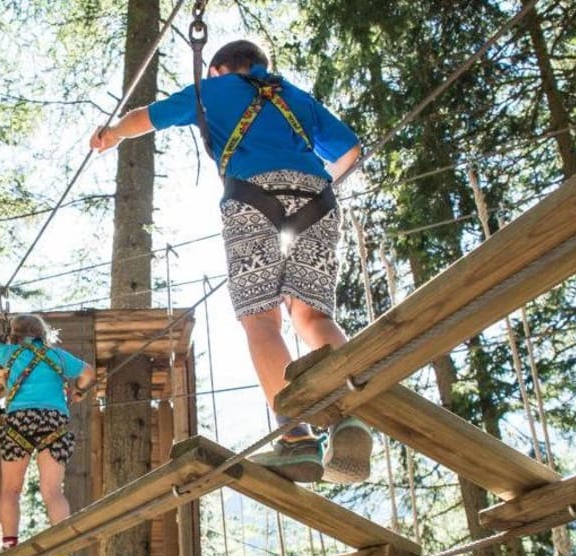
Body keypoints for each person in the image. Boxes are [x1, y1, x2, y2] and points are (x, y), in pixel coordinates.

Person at [90, 39, 372, 484]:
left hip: (251, 196)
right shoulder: (293, 96)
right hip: (317, 197)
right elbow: (351, 151)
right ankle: (350, 417)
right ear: (261, 67)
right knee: (313, 315)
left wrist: (111, 134)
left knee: (261, 320)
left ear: (220, 68)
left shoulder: (212, 91)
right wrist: (315, 184)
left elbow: (146, 118)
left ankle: (296, 437)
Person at [0, 313, 96, 556]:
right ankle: (61, 551)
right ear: (42, 333)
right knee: (53, 491)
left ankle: (10, 546)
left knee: (11, 489)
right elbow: (89, 372)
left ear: (15, 333)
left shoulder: (8, 353)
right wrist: (78, 390)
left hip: (18, 422)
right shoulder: (58, 357)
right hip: (53, 422)